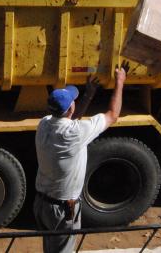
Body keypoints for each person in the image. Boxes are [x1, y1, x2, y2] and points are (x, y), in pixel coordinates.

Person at [34, 62, 129, 253]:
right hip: (62, 210)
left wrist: (89, 94)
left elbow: (71, 119)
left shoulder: (44, 124)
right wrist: (120, 81)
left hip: (42, 205)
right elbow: (113, 115)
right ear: (70, 109)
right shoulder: (74, 134)